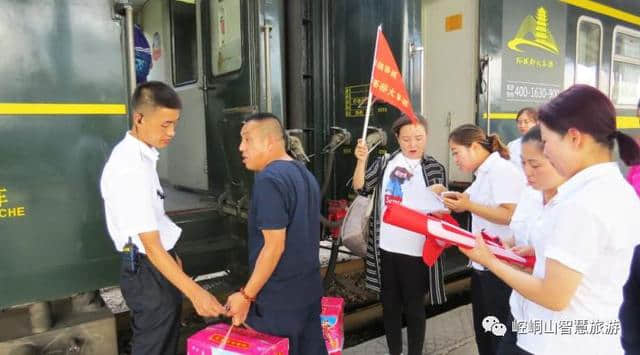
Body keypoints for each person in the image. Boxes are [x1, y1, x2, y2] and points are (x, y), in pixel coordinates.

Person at [460, 84, 640, 355]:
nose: (546, 153)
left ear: (574, 138)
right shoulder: (612, 188)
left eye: (547, 142)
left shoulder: (581, 202)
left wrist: (489, 260)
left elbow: (553, 296)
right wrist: (539, 250)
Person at [100, 81, 225, 355]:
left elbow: (156, 223)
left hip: (156, 265)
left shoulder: (144, 157)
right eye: (165, 124)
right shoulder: (130, 168)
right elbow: (152, 247)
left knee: (164, 339)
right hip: (148, 270)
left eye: (175, 124)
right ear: (139, 118)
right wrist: (196, 292)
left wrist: (175, 262)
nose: (172, 132)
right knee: (153, 347)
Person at [226, 113, 327, 355]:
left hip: (279, 301)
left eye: (247, 140)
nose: (241, 147)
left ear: (269, 141)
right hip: (308, 293)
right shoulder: (304, 174)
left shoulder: (268, 180)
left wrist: (246, 295)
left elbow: (274, 246)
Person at [352, 114, 448, 355]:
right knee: (390, 307)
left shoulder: (435, 168)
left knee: (415, 308)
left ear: (427, 137)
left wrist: (442, 198)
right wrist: (361, 161)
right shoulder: (385, 162)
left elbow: (443, 212)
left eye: (419, 138)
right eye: (406, 139)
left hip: (417, 252)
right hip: (387, 249)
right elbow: (360, 187)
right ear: (397, 138)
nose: (413, 144)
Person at [442, 124, 525, 355]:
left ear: (475, 147)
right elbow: (466, 198)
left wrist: (468, 205)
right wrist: (444, 195)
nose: (455, 159)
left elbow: (509, 214)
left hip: (499, 266)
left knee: (497, 332)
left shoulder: (501, 171)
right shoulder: (483, 173)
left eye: (456, 152)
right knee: (485, 331)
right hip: (484, 263)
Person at [498, 126, 566, 355]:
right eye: (523, 163)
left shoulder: (576, 207)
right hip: (520, 309)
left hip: (553, 330)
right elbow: (520, 231)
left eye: (534, 164)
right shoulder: (530, 192)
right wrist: (508, 245)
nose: (526, 171)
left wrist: (491, 261)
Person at [507, 107, 538, 174]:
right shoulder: (512, 145)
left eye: (526, 122)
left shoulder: (544, 144)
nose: (522, 125)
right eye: (519, 122)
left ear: (536, 123)